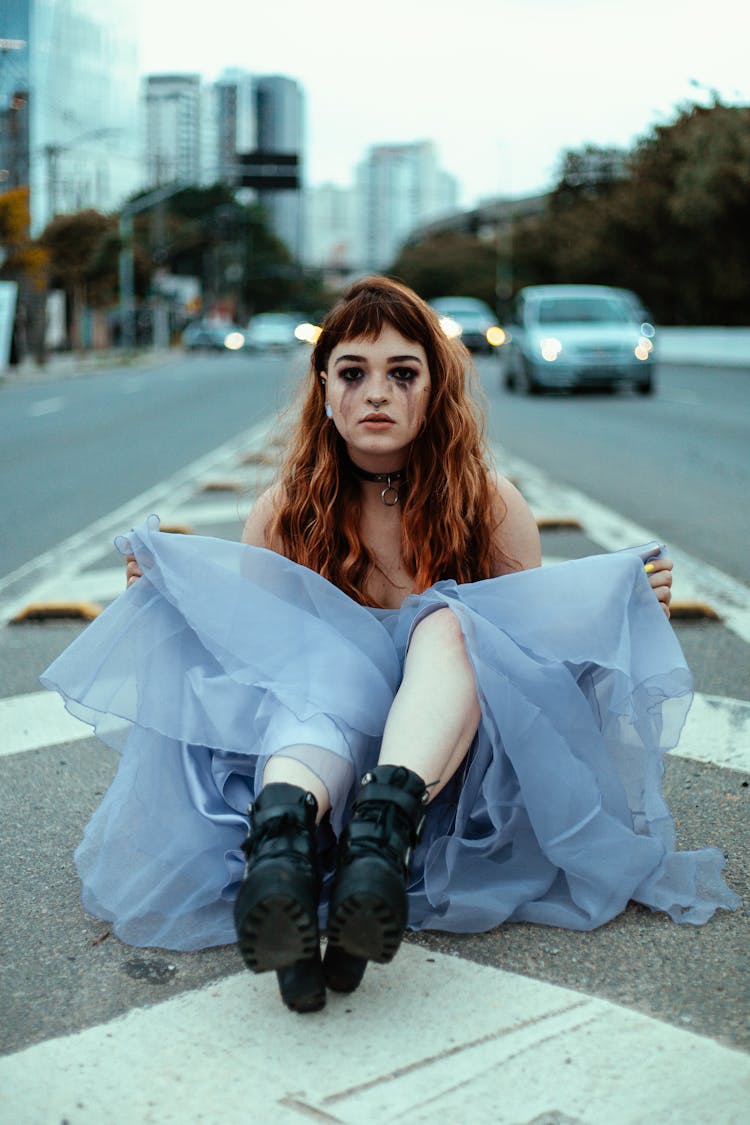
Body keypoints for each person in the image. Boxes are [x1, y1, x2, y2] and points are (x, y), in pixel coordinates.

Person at [41, 276, 738, 1015]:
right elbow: (254, 665)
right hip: (315, 754)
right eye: (354, 373)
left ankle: (374, 846)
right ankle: (282, 848)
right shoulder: (285, 509)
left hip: (444, 782)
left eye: (402, 373)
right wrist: (171, 597)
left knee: (454, 623)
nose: (377, 393)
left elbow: (529, 662)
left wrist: (609, 604)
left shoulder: (490, 504)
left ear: (434, 389)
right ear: (325, 388)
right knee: (314, 663)